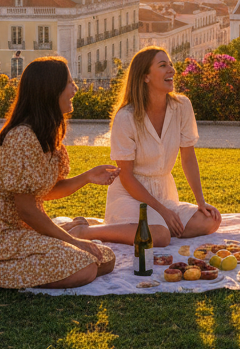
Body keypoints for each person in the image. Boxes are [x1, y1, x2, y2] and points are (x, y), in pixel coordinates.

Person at [0, 58, 120, 305]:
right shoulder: (22, 138)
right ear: (50, 90)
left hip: (23, 232)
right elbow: (27, 209)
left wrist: (87, 177)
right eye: (69, 83)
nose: (75, 89)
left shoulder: (47, 137)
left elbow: (45, 191)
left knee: (105, 258)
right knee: (84, 267)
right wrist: (72, 240)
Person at [73, 46, 221, 247]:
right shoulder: (126, 117)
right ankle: (86, 231)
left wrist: (201, 202)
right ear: (145, 77)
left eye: (170, 64)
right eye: (163, 65)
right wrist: (162, 211)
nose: (172, 70)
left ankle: (149, 227)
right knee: (160, 235)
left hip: (164, 194)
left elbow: (188, 158)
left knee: (210, 220)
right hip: (130, 196)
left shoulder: (182, 106)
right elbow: (126, 176)